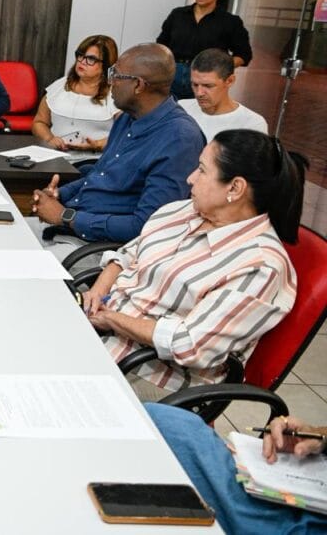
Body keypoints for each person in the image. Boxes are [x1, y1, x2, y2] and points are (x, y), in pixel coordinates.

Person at [80, 129, 304, 400]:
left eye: (201, 170)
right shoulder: (185, 211)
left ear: (235, 188)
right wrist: (97, 293)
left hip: (152, 374)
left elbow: (191, 343)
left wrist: (111, 319)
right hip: (103, 332)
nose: (190, 178)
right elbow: (128, 254)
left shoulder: (260, 265)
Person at [32, 43, 206, 249]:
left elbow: (149, 226)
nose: (109, 81)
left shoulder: (179, 139)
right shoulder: (127, 119)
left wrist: (66, 216)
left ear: (138, 85)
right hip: (73, 226)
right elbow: (101, 175)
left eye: (115, 74)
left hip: (102, 249)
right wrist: (61, 194)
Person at [146, 405, 327, 533]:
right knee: (165, 420)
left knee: (163, 424)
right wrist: (316, 434)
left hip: (302, 522)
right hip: (303, 484)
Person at [157, 0, 252, 100]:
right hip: (173, 74)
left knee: (199, 116)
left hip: (206, 78)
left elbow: (244, 55)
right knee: (168, 113)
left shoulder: (230, 22)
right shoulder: (178, 15)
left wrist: (218, 67)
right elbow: (161, 45)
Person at [31, 35, 119, 155]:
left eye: (91, 59)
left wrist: (97, 145)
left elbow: (126, 135)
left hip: (95, 160)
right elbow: (39, 123)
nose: (82, 62)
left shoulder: (117, 93)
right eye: (80, 55)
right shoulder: (59, 86)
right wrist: (49, 139)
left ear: (106, 65)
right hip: (56, 157)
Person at [179, 48, 267, 142]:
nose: (199, 93)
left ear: (230, 81)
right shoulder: (181, 108)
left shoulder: (251, 124)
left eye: (208, 86)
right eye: (195, 84)